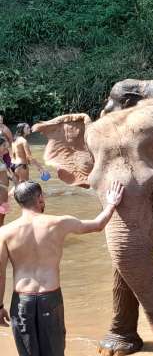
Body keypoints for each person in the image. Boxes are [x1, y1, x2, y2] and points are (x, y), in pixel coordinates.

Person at [0, 180, 124, 356]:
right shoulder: (60, 223)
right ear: (40, 198)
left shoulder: (5, 232)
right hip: (50, 298)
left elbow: (0, 275)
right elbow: (97, 225)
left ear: (19, 202)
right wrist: (111, 203)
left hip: (22, 301)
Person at [0, 137, 16, 226]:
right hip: (1, 190)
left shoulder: (1, 158)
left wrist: (11, 178)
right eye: (3, 146)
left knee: (3, 215)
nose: (6, 147)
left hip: (4, 190)